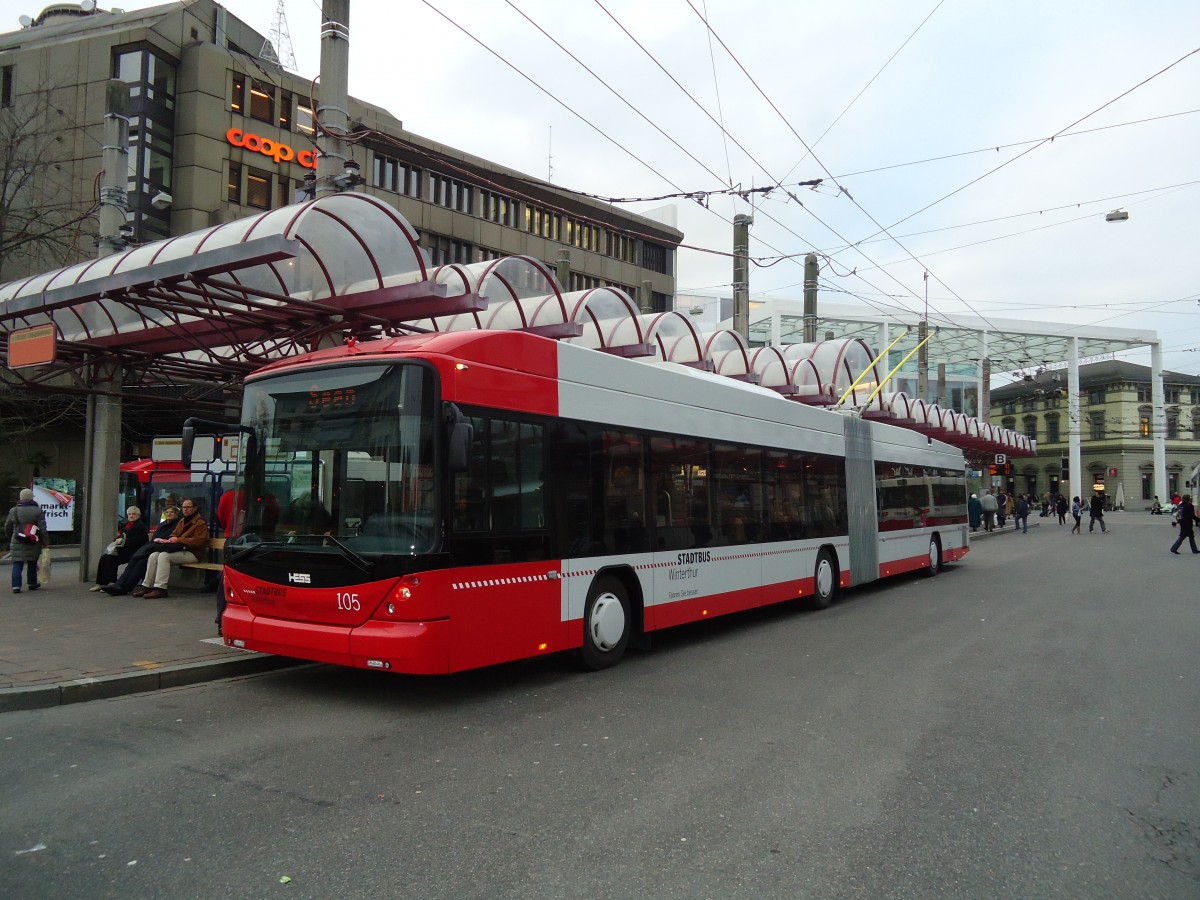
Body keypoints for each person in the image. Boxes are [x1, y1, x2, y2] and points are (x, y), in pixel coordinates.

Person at [132, 498, 208, 599]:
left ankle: (160, 589)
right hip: (180, 550)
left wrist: (179, 540)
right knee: (154, 555)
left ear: (194, 508)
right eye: (184, 507)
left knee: (164, 556)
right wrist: (170, 539)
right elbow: (174, 534)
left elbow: (199, 541)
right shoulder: (182, 521)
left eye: (188, 507)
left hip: (193, 552)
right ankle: (147, 586)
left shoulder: (200, 523)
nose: (185, 510)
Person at [101, 507, 179, 595]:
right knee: (135, 559)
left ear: (176, 514)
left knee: (141, 562)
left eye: (172, 512)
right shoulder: (162, 524)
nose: (169, 514)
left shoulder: (177, 525)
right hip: (154, 547)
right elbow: (154, 538)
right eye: (167, 512)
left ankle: (125, 588)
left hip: (164, 548)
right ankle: (119, 584)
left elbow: (167, 538)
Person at [90, 506, 149, 591]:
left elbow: (138, 541)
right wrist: (117, 541)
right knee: (104, 558)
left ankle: (111, 583)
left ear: (138, 515)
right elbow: (120, 537)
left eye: (134, 514)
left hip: (135, 551)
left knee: (111, 559)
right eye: (129, 514)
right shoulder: (126, 525)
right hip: (124, 549)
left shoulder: (141, 526)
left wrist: (122, 541)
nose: (131, 516)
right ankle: (101, 583)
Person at [5, 488, 49, 593]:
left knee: (17, 563)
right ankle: (32, 583)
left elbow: (8, 526)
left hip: (17, 540)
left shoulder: (13, 510)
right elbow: (42, 528)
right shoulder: (37, 511)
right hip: (33, 540)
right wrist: (45, 542)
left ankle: (16, 586)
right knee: (32, 562)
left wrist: (10, 536)